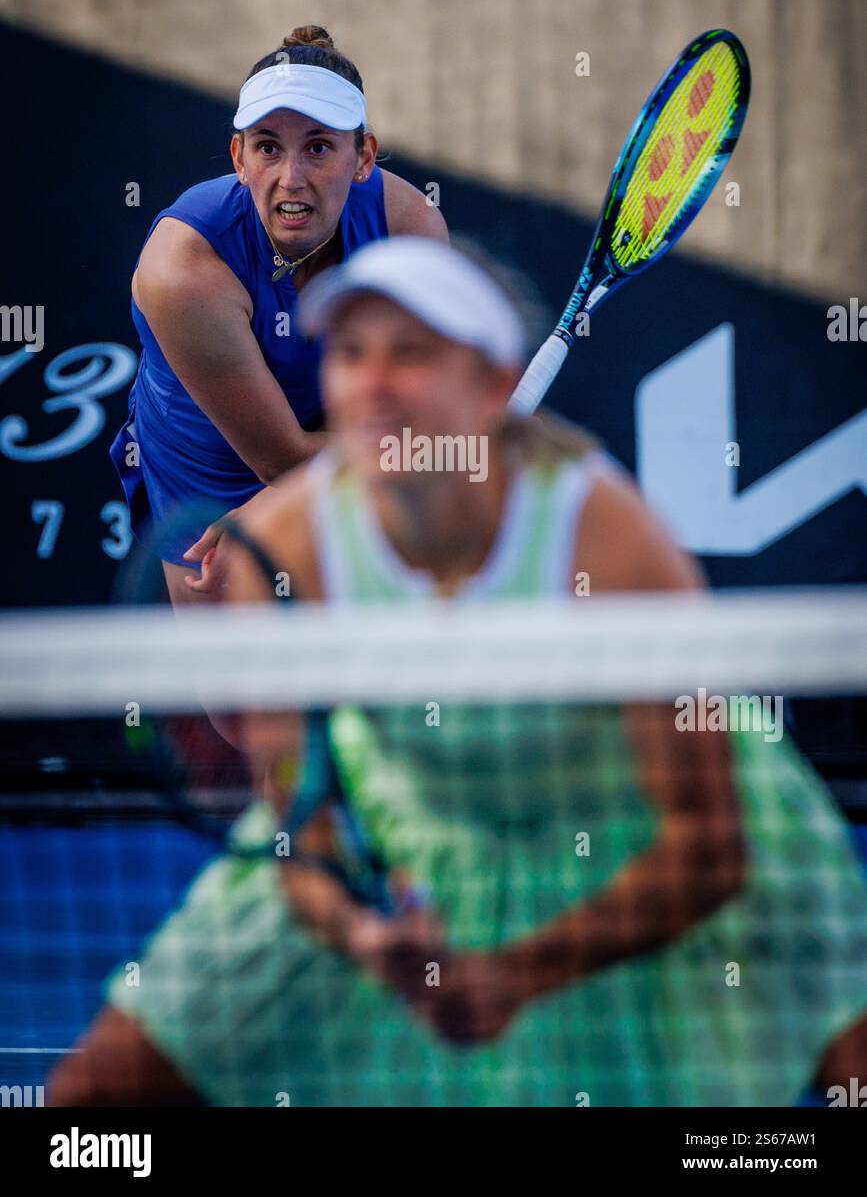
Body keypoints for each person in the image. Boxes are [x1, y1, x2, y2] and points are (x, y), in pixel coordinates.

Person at [53, 238, 867, 1106]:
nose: (373, 383)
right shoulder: (282, 547)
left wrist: (513, 975)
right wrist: (360, 931)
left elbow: (708, 849)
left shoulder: (606, 537)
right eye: (351, 353)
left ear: (488, 389)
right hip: (420, 813)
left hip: (634, 833)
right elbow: (299, 832)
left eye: (412, 353)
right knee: (90, 1107)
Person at [110, 24, 448, 612]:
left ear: (363, 156)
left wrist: (439, 444)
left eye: (318, 147)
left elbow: (427, 417)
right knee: (242, 699)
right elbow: (284, 460)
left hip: (338, 442)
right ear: (239, 158)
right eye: (268, 146)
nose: (291, 178)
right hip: (210, 464)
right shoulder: (182, 271)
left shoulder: (409, 227)